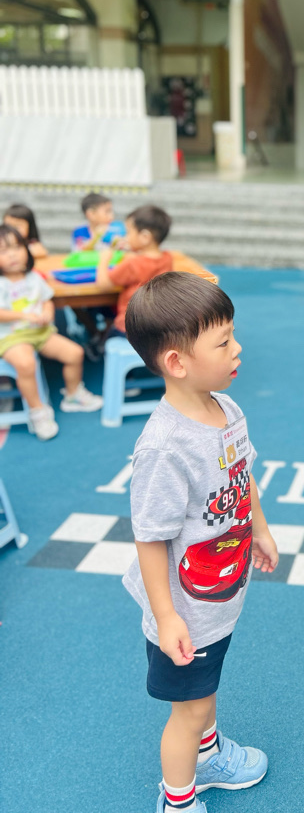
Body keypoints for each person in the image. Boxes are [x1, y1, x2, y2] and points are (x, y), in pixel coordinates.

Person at [121, 271, 278, 813]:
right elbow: (149, 537)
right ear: (177, 362)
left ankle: (208, 757)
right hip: (185, 612)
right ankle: (178, 801)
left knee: (204, 691)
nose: (238, 349)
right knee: (187, 711)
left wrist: (259, 527)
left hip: (217, 598)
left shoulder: (226, 409)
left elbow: (242, 471)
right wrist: (166, 617)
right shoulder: (165, 448)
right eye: (223, 342)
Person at [0, 224, 102, 440]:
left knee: (75, 353)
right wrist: (24, 316)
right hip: (11, 337)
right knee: (26, 364)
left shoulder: (34, 277)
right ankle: (38, 412)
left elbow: (47, 300)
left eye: (17, 247)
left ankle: (73, 395)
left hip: (40, 332)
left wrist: (47, 313)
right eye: (3, 251)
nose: (12, 255)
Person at [94, 205, 174, 338]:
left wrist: (104, 259)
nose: (126, 237)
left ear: (145, 237)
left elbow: (103, 284)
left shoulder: (133, 264)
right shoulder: (167, 258)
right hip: (156, 326)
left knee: (106, 333)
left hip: (129, 326)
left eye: (129, 232)